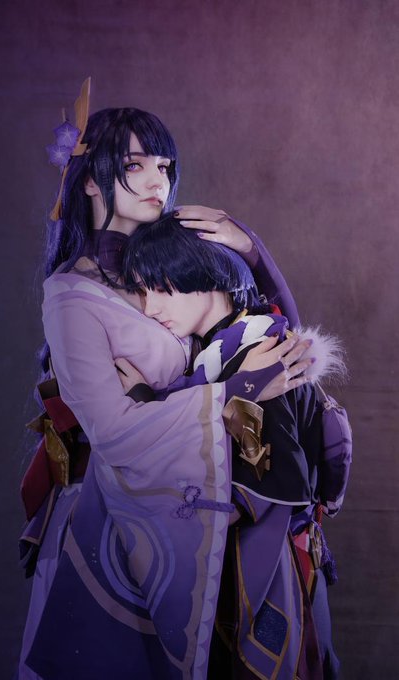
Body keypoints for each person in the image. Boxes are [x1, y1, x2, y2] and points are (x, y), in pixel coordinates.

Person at [18, 80, 315, 680]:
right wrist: (235, 391)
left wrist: (252, 252)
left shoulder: (169, 251)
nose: (159, 180)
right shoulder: (70, 297)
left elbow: (278, 340)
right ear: (91, 180)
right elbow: (113, 431)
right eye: (135, 165)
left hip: (218, 499)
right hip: (124, 520)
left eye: (164, 165)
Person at [121, 214, 348, 679]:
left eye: (160, 289)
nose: (149, 307)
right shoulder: (222, 351)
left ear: (202, 273)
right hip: (249, 551)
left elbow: (267, 483)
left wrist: (147, 403)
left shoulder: (261, 349)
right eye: (142, 292)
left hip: (264, 559)